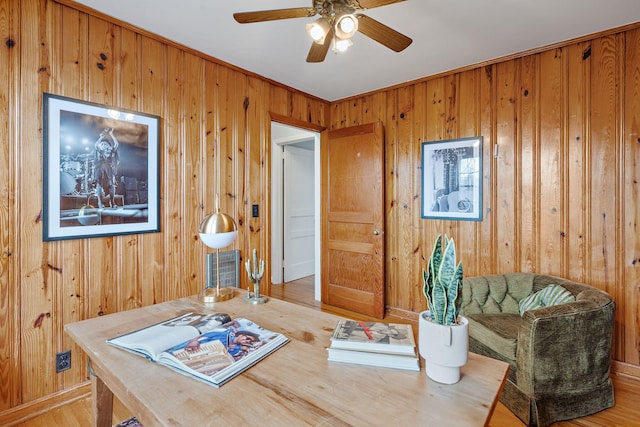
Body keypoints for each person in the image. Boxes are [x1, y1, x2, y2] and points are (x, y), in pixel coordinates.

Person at [170, 329, 260, 358]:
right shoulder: (224, 335)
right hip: (188, 349)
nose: (247, 341)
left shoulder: (235, 348)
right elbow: (202, 336)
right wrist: (194, 341)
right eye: (247, 338)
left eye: (249, 342)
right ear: (241, 335)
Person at [93, 127, 119, 208]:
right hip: (99, 169)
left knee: (111, 185)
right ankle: (100, 203)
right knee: (99, 185)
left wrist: (111, 135)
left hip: (109, 169)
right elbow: (96, 145)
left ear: (108, 146)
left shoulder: (110, 152)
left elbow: (116, 145)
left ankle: (112, 202)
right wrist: (101, 137)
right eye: (102, 144)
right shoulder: (99, 151)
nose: (103, 145)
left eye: (105, 144)